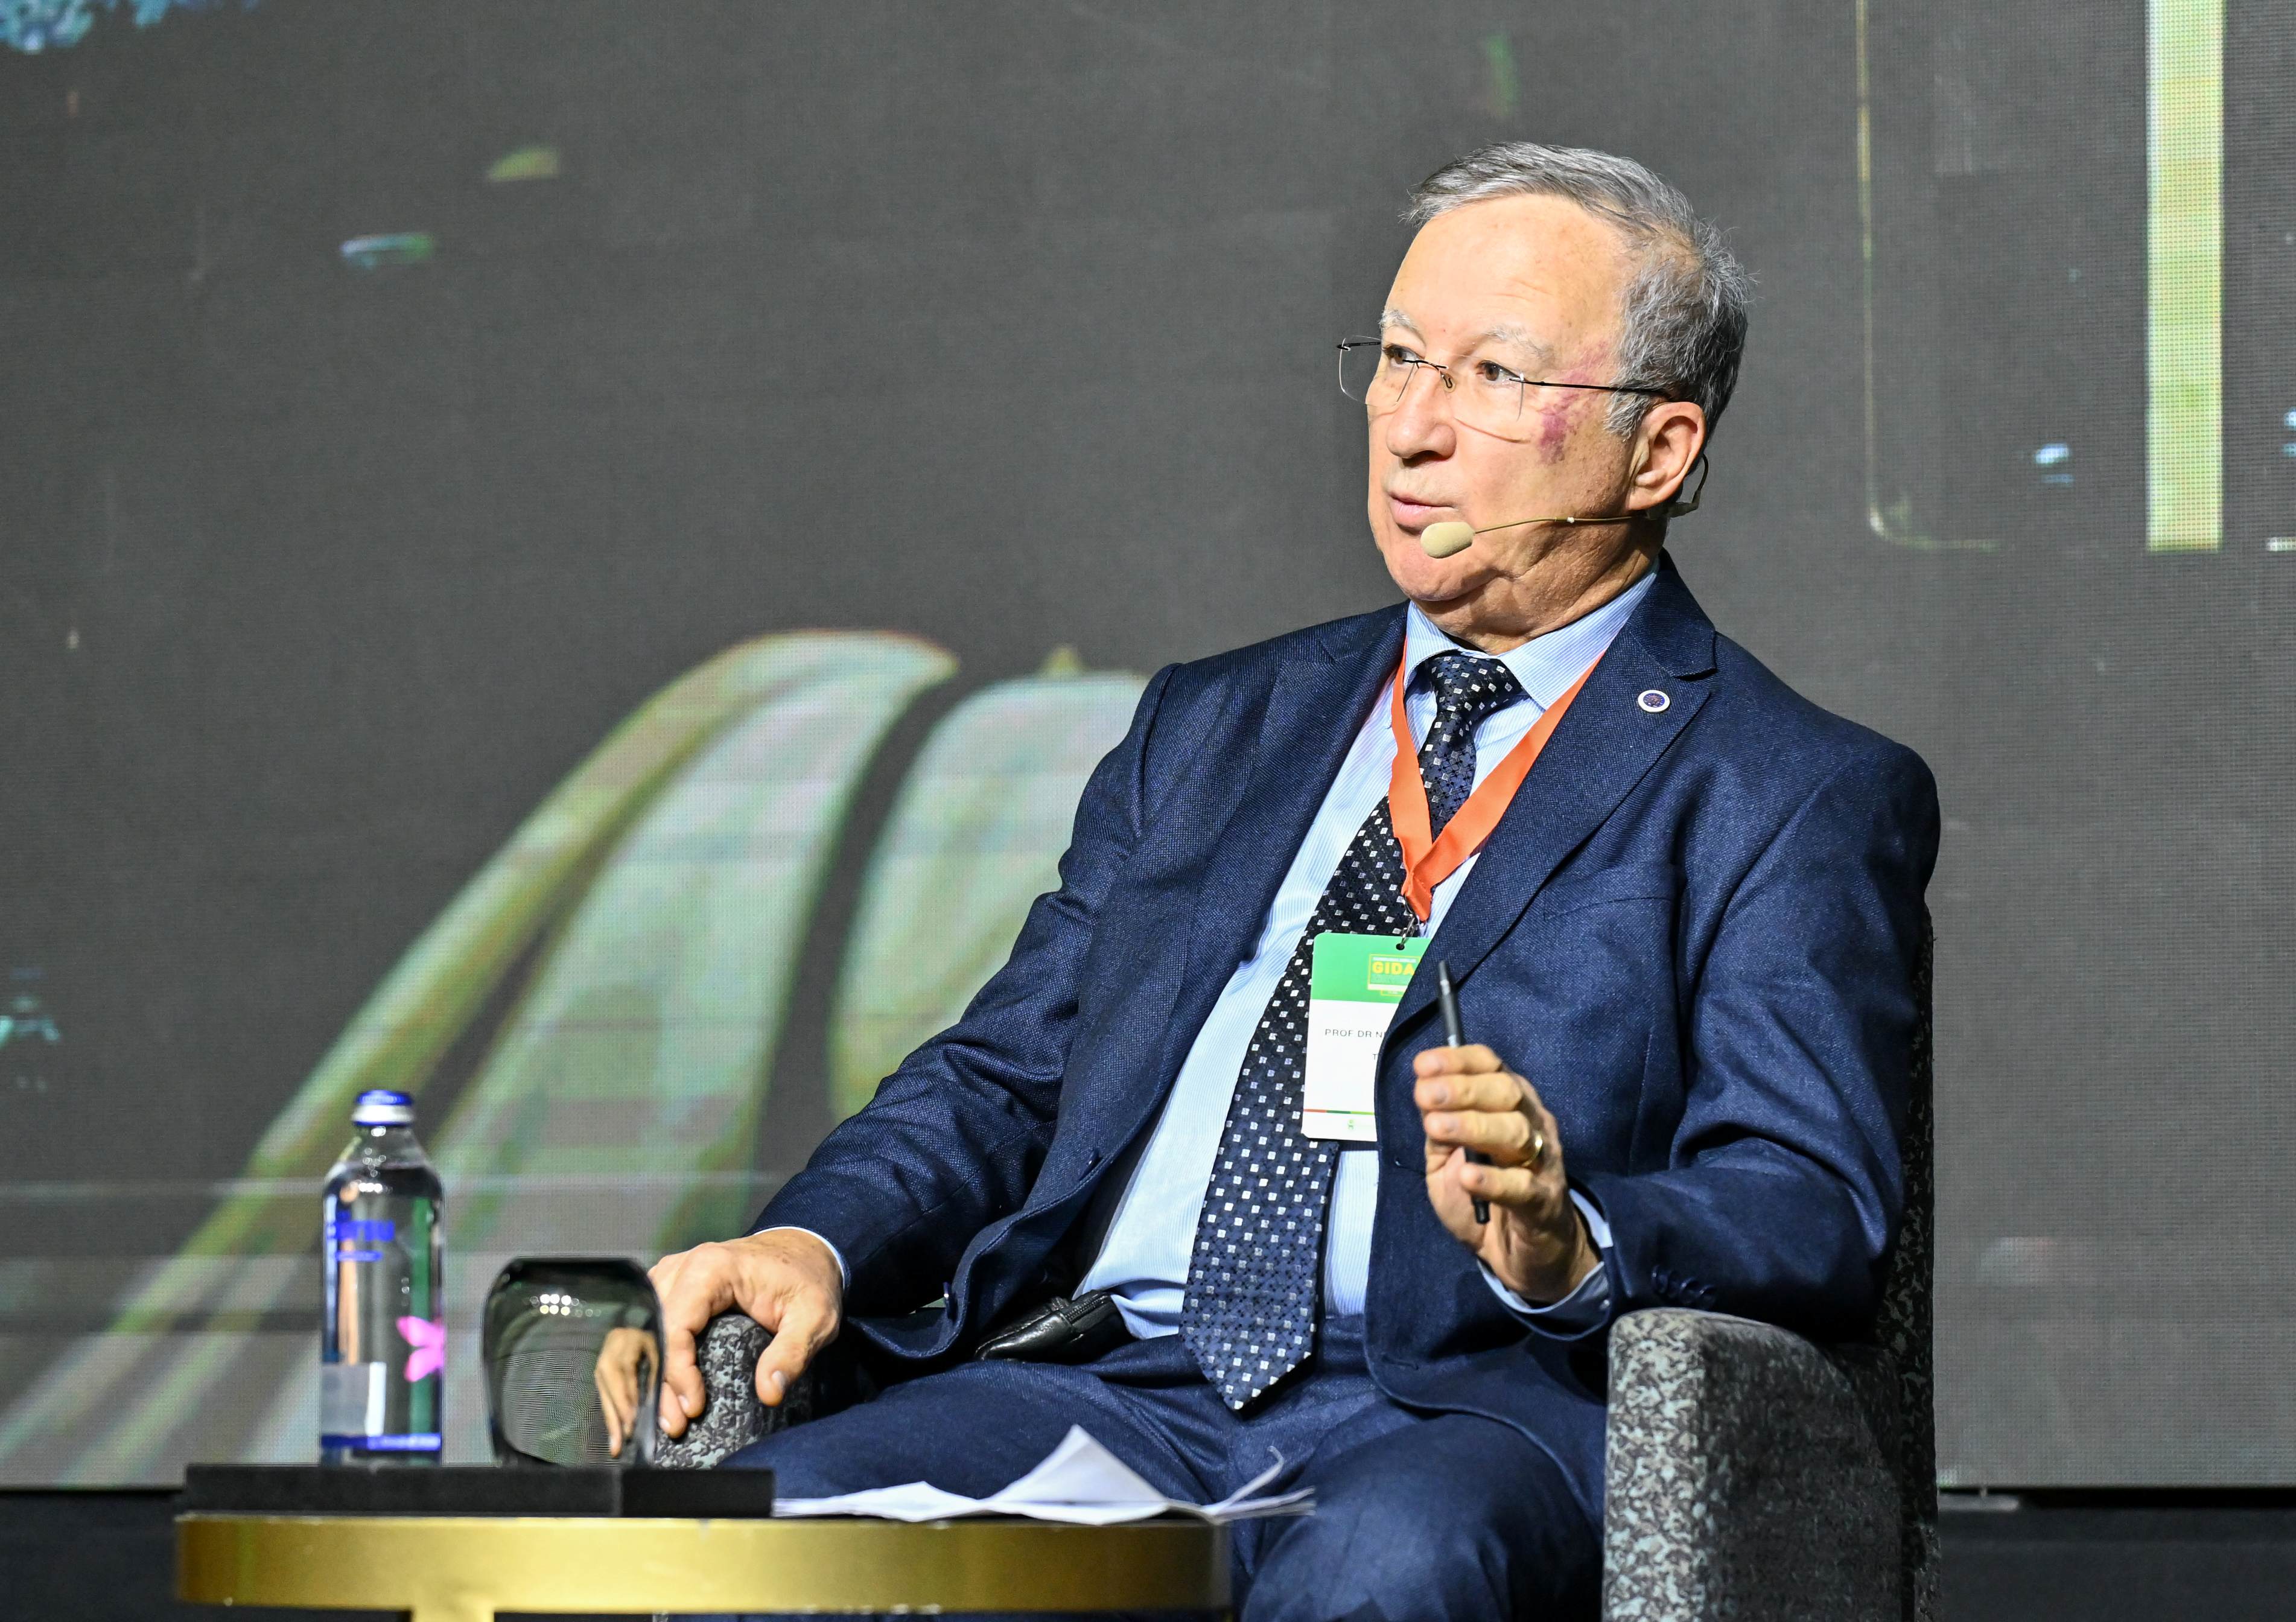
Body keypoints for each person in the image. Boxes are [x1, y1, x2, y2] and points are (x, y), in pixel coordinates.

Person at [648, 141, 1937, 1621]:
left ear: (1656, 453)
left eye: (1494, 376)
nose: (1413, 428)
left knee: (1387, 1569)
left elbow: (1807, 1196)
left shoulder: (1787, 788)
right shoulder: (1216, 723)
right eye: (1397, 359)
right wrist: (811, 1236)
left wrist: (1571, 1238)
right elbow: (1008, 1073)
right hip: (1115, 1387)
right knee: (760, 1540)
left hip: (1461, 1411)